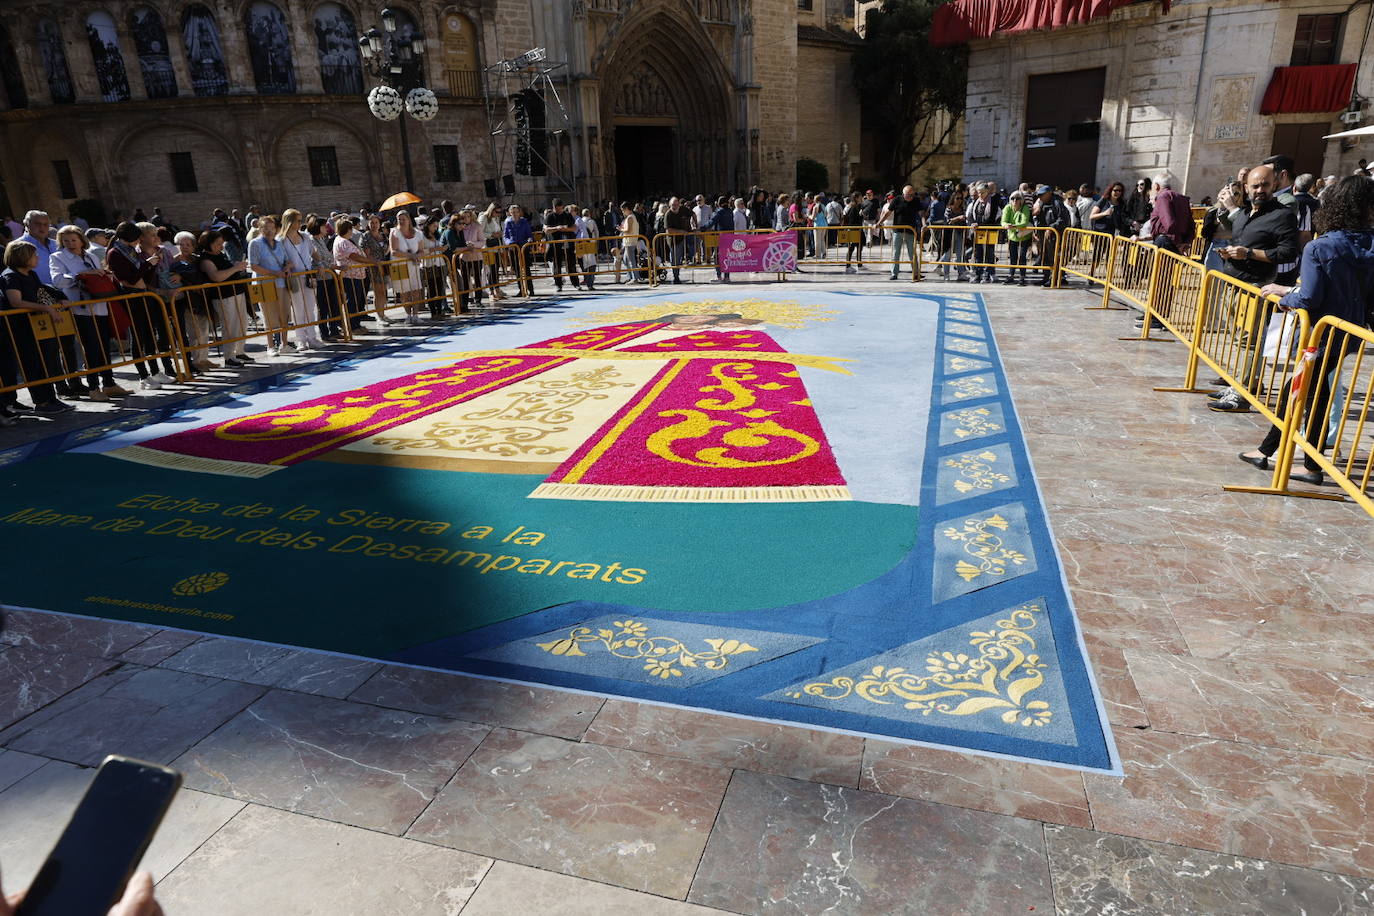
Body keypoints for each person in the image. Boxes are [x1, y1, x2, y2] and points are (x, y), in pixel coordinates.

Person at [1236, 174, 1374, 485]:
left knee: (1295, 391)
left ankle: (1285, 457)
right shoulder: (1370, 245)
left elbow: (1309, 296)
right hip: (1351, 331)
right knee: (1315, 392)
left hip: (1322, 333)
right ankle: (1285, 456)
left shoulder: (1320, 248)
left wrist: (1286, 295)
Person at [1209, 164, 1299, 412]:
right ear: (1247, 187)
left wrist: (1249, 253)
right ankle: (1237, 384)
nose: (1260, 190)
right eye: (1255, 185)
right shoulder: (1245, 213)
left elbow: (1288, 252)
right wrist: (1230, 253)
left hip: (1255, 286)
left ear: (1274, 185)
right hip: (1234, 283)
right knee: (1237, 339)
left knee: (1249, 342)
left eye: (1265, 185)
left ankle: (1243, 393)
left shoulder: (1283, 215)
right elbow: (1236, 238)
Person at [50, 224, 129, 399]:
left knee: (104, 346)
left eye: (73, 239)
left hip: (100, 306)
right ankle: (93, 387)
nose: (70, 243)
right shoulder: (58, 257)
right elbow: (57, 280)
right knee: (91, 347)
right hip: (80, 308)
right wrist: (82, 275)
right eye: (66, 241)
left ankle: (109, 383)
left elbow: (98, 275)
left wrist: (103, 275)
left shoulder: (91, 255)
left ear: (81, 240)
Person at [1, 240, 72, 415]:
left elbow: (41, 289)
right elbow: (15, 301)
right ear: (23, 257)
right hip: (17, 327)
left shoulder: (30, 274)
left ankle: (50, 397)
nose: (38, 258)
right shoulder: (11, 276)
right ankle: (41, 402)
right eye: (34, 255)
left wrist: (59, 296)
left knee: (42, 362)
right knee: (31, 363)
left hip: (34, 326)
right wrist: (46, 308)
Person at [107, 221, 177, 388]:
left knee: (149, 335)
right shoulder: (115, 253)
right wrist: (148, 264)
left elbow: (143, 277)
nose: (139, 241)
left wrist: (153, 264)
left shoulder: (131, 251)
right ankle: (143, 376)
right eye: (137, 237)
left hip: (143, 294)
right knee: (138, 337)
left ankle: (154, 372)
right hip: (131, 297)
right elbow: (130, 278)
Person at [197, 229, 254, 367]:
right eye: (217, 244)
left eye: (221, 243)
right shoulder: (205, 259)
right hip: (223, 297)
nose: (221, 246)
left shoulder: (220, 255)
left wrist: (236, 266)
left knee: (242, 323)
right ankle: (229, 356)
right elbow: (216, 276)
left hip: (237, 293)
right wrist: (235, 268)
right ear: (208, 244)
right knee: (230, 326)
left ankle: (239, 351)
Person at [247, 214, 293, 356]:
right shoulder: (255, 243)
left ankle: (284, 344)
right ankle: (270, 346)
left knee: (283, 314)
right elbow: (254, 266)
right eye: (265, 228)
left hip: (280, 283)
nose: (269, 230)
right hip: (263, 283)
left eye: (272, 227)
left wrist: (288, 267)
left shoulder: (279, 243)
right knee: (268, 315)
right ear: (260, 228)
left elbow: (287, 260)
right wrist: (274, 273)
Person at [279, 209, 325, 350]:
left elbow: (314, 253)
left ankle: (312, 337)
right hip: (293, 278)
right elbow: (279, 259)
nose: (301, 223)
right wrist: (286, 266)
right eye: (298, 220)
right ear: (290, 221)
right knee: (298, 309)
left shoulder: (305, 236)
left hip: (308, 276)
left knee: (310, 309)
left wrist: (320, 264)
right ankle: (301, 340)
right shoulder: (281, 240)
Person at [306, 215, 343, 340]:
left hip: (329, 276)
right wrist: (329, 264)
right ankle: (324, 333)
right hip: (321, 278)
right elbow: (317, 259)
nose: (326, 228)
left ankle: (334, 330)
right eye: (324, 226)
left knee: (333, 304)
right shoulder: (311, 241)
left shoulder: (321, 239)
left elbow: (327, 258)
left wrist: (336, 267)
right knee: (323, 307)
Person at [331, 217, 370, 332]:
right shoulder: (342, 241)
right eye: (351, 229)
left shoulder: (345, 240)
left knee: (355, 301)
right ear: (347, 229)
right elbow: (353, 256)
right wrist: (369, 261)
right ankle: (352, 326)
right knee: (352, 302)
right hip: (350, 276)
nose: (352, 232)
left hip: (355, 276)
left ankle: (355, 324)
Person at [882, 184, 926, 280]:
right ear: (903, 194)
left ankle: (916, 273)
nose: (910, 197)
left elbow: (921, 213)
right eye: (908, 195)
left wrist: (924, 224)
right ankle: (894, 273)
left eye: (911, 195)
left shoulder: (916, 200)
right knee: (896, 252)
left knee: (912, 253)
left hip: (910, 230)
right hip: (898, 230)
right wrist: (879, 222)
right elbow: (888, 212)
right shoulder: (897, 199)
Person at [389, 209, 425, 323]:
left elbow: (421, 250)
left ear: (409, 220)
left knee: (415, 290)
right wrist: (411, 255)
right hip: (399, 265)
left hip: (413, 265)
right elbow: (394, 251)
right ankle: (408, 315)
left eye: (403, 219)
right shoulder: (394, 232)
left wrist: (418, 255)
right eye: (399, 219)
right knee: (404, 291)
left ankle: (415, 315)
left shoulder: (418, 233)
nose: (401, 221)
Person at [359, 214, 392, 323]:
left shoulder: (383, 235)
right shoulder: (366, 236)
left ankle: (382, 314)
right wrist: (375, 262)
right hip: (373, 267)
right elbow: (366, 253)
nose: (374, 225)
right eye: (372, 222)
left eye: (376, 222)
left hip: (383, 265)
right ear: (368, 224)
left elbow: (387, 250)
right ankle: (379, 316)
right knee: (378, 292)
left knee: (383, 291)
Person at [966, 182, 1001, 283]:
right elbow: (971, 215)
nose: (980, 195)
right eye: (978, 193)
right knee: (978, 253)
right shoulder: (975, 202)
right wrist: (973, 223)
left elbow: (992, 218)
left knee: (989, 253)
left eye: (982, 193)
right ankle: (978, 274)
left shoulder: (993, 202)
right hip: (978, 232)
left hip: (990, 231)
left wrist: (979, 224)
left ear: (987, 192)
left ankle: (987, 274)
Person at [544, 198, 578, 291]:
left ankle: (576, 283)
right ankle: (558, 284)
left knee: (571, 265)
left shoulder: (567, 215)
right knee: (557, 266)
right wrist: (557, 228)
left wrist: (565, 229)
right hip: (556, 245)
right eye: (557, 208)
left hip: (568, 243)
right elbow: (546, 230)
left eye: (560, 208)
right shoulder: (550, 216)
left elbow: (574, 227)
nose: (559, 210)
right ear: (554, 207)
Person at [1000, 190, 1033, 285]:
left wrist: (1013, 226)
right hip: (1012, 236)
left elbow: (1024, 222)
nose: (1015, 200)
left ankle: (1022, 277)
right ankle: (1011, 275)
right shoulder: (1007, 207)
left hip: (1023, 236)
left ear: (1021, 200)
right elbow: (1003, 221)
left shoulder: (1025, 208)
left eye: (1018, 198)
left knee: (1022, 257)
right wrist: (1007, 225)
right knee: (1013, 257)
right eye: (1013, 198)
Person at [18, 211, 59, 284]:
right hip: (38, 292)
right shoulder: (18, 246)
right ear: (26, 224)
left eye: (45, 224)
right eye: (37, 224)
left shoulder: (56, 244)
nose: (42, 227)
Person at [502, 204, 534, 296]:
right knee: (517, 270)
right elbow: (505, 236)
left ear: (519, 212)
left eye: (516, 212)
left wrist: (530, 239)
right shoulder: (508, 222)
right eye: (513, 212)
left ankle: (530, 289)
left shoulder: (524, 221)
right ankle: (521, 290)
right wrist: (509, 243)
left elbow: (529, 234)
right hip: (513, 247)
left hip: (523, 247)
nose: (515, 214)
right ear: (510, 213)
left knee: (526, 269)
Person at [664, 197, 693, 284]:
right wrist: (681, 231)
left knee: (695, 243)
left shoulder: (683, 209)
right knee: (675, 259)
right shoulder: (668, 214)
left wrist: (695, 226)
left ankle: (690, 258)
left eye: (676, 204)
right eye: (673, 205)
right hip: (674, 240)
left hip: (686, 236)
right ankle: (676, 277)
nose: (675, 206)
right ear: (670, 205)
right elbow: (668, 230)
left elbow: (693, 214)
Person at [573, 204, 599, 290]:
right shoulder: (591, 221)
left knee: (583, 263)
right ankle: (590, 283)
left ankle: (587, 280)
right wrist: (596, 241)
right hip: (589, 242)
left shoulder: (578, 220)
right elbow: (596, 232)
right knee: (591, 263)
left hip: (580, 244)